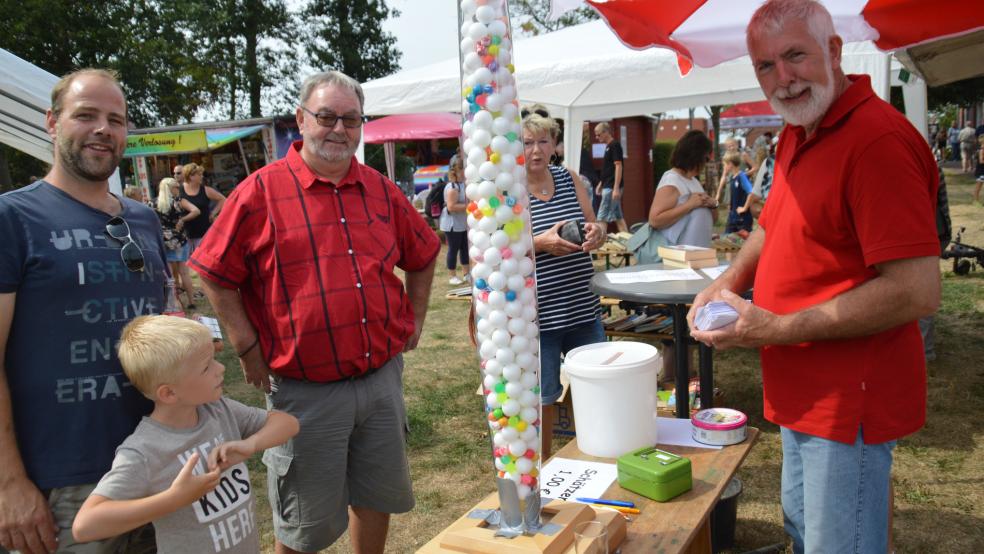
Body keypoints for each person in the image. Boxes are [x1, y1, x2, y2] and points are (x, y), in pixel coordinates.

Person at [689, 2, 941, 553]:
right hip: (801, 390)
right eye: (765, 66)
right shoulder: (799, 132)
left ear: (833, 51)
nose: (783, 78)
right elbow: (770, 224)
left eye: (795, 55)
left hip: (847, 399)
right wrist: (727, 283)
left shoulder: (876, 141)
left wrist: (772, 328)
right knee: (807, 535)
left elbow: (916, 289)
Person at [189, 70, 439, 554]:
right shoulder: (258, 193)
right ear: (302, 120)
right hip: (304, 393)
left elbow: (424, 255)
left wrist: (416, 318)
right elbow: (214, 273)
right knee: (303, 524)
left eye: (351, 119)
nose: (339, 129)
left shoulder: (381, 190)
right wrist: (247, 346)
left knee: (375, 497)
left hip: (380, 381)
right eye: (326, 117)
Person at [0, 68, 166, 554]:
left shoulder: (142, 219)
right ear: (52, 122)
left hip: (156, 461)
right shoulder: (13, 218)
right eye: (85, 115)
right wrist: (9, 483)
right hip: (62, 481)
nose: (103, 129)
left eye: (115, 120)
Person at [71, 315, 298, 553]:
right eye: (206, 366)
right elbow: (86, 525)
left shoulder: (219, 410)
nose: (221, 368)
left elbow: (287, 423)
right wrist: (175, 499)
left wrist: (252, 444)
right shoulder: (144, 450)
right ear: (169, 393)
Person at [523, 114, 607, 459]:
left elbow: (593, 224)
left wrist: (598, 233)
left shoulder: (569, 177)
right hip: (538, 315)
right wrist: (540, 243)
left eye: (543, 141)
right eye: (527, 143)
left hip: (582, 304)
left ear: (555, 145)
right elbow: (494, 250)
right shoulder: (507, 190)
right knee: (542, 398)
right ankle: (543, 472)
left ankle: (599, 454)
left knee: (597, 386)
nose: (535, 150)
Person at [646, 129, 717, 248]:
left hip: (695, 255)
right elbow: (654, 221)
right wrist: (689, 205)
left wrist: (713, 205)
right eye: (706, 159)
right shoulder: (672, 180)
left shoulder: (694, 181)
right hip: (677, 257)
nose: (706, 163)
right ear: (695, 156)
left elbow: (712, 219)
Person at [156, 177, 201, 309]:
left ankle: (174, 302)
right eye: (176, 187)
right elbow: (196, 211)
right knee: (184, 273)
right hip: (180, 240)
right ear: (170, 188)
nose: (178, 189)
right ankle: (191, 301)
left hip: (165, 241)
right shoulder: (180, 201)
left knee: (169, 275)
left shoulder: (153, 203)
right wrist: (183, 220)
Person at [179, 163, 225, 255]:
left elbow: (223, 199)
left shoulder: (206, 190)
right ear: (191, 176)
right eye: (199, 175)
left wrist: (213, 213)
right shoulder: (180, 190)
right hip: (185, 233)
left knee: (201, 260)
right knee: (186, 263)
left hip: (203, 232)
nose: (202, 176)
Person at [593, 122, 628, 233]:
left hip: (611, 188)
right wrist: (601, 184)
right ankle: (629, 243)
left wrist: (616, 188)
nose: (596, 137)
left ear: (606, 132)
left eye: (598, 134)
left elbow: (618, 166)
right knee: (618, 217)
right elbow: (608, 169)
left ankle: (599, 245)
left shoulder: (615, 145)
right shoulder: (608, 147)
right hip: (607, 185)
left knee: (602, 217)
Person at [441, 155, 470, 285]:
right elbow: (451, 206)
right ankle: (452, 275)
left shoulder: (463, 184)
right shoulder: (453, 187)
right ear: (458, 170)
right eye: (464, 168)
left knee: (465, 248)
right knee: (454, 249)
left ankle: (466, 274)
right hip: (452, 224)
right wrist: (469, 207)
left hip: (462, 223)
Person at [716, 152, 754, 233]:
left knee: (743, 243)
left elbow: (751, 192)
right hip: (733, 217)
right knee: (726, 239)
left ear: (730, 164)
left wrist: (744, 208)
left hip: (742, 219)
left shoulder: (741, 176)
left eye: (724, 164)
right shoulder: (733, 178)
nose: (724, 167)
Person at [738, 147, 775, 219]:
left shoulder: (770, 163)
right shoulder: (770, 163)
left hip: (772, 211)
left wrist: (745, 208)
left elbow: (753, 194)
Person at [975, 135, 984, 204]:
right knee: (979, 186)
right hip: (981, 170)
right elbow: (981, 161)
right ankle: (976, 200)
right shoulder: (982, 150)